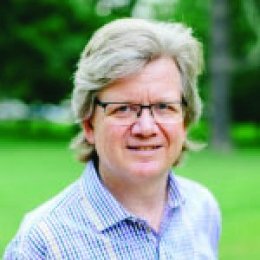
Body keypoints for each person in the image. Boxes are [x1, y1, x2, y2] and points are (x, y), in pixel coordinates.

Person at [4, 18, 221, 259]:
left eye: (163, 106)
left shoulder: (202, 209)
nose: (146, 128)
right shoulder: (42, 244)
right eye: (124, 108)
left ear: (185, 118)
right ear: (89, 124)